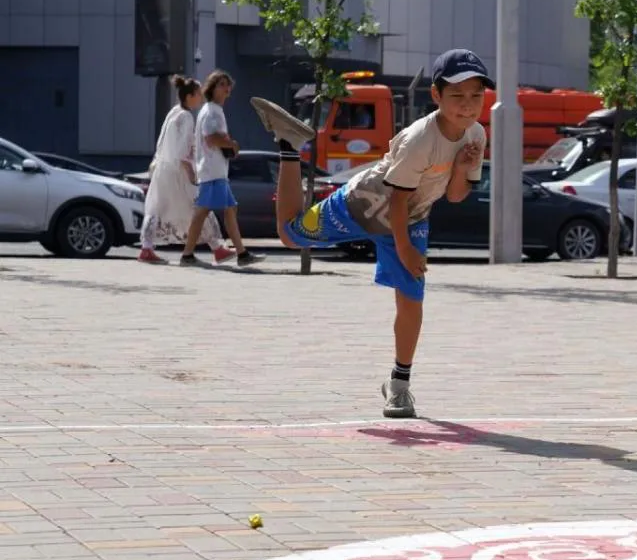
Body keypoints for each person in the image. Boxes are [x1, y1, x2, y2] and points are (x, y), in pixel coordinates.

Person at [247, 50, 490, 418]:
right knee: (290, 234)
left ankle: (399, 386)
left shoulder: (476, 135)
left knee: (412, 301)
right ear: (437, 96)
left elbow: (455, 196)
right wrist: (405, 250)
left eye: (476, 96)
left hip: (413, 218)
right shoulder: (419, 138)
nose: (468, 106)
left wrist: (462, 167)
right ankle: (290, 146)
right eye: (457, 96)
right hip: (366, 202)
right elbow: (395, 199)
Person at [139, 76, 234, 265]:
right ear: (189, 96)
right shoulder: (187, 117)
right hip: (178, 172)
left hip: (163, 169)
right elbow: (182, 151)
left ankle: (146, 248)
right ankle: (217, 248)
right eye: (198, 94)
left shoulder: (174, 112)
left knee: (157, 207)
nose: (200, 98)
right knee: (200, 208)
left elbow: (163, 142)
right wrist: (191, 173)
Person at [181, 70, 261, 267]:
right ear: (212, 88)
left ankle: (240, 254)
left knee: (227, 209)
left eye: (227, 84)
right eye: (221, 84)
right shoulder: (211, 111)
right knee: (203, 213)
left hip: (214, 170)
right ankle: (188, 255)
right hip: (212, 170)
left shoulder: (211, 110)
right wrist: (232, 145)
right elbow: (211, 138)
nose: (226, 88)